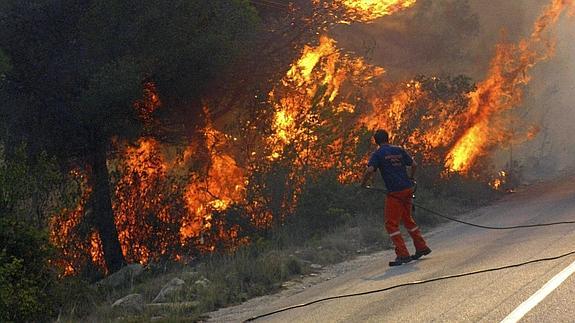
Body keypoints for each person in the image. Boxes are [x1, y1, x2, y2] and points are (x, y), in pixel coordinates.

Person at [361, 129, 431, 266]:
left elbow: (370, 170)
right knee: (407, 219)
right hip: (407, 189)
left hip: (395, 192)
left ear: (376, 141)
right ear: (388, 138)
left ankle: (403, 255)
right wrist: (411, 177)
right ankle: (422, 247)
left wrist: (363, 183)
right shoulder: (399, 150)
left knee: (391, 224)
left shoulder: (378, 153)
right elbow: (414, 165)